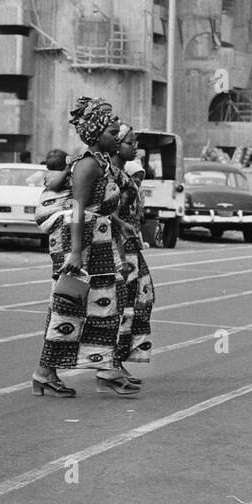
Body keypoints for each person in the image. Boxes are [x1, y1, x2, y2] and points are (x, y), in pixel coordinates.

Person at [32, 97, 138, 398]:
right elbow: (79, 208)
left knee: (107, 304)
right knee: (69, 307)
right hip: (81, 243)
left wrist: (120, 225)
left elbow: (98, 207)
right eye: (111, 132)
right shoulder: (87, 164)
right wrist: (76, 252)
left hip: (100, 241)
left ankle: (105, 369)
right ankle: (46, 374)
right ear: (95, 133)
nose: (116, 137)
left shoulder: (102, 163)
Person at [111, 124, 156, 384]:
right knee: (122, 304)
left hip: (130, 246)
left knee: (141, 299)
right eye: (130, 142)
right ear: (117, 144)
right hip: (116, 248)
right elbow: (104, 209)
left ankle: (116, 360)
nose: (135, 147)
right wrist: (122, 225)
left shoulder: (122, 174)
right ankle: (111, 363)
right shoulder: (111, 175)